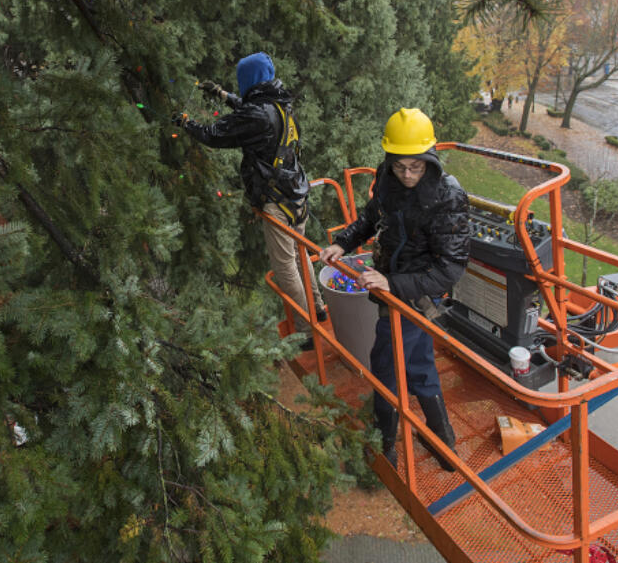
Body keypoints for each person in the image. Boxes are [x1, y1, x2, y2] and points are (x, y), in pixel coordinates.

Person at [318, 108, 470, 470]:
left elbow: (450, 268)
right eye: (400, 166)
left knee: (386, 364)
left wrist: (393, 283)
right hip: (393, 285)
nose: (407, 175)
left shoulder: (447, 197)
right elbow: (373, 217)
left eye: (415, 167)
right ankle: (443, 443)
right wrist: (344, 242)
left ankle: (384, 446)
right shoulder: (388, 179)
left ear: (429, 159)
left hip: (415, 291)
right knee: (418, 363)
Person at [173, 52, 327, 346]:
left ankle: (308, 333)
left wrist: (186, 124)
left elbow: (215, 134)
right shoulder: (281, 102)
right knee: (300, 254)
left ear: (249, 81)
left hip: (277, 200)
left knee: (285, 268)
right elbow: (252, 110)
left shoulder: (257, 115)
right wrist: (221, 94)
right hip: (296, 194)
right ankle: (318, 310)